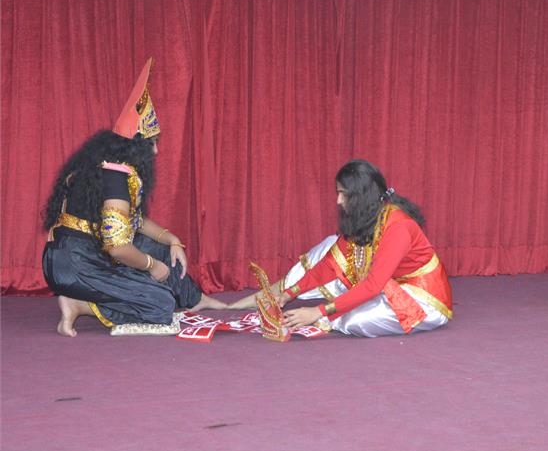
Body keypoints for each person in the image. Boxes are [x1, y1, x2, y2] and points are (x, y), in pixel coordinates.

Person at [42, 58, 225, 337]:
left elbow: (134, 223)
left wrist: (172, 240)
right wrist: (153, 266)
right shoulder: (115, 178)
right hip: (75, 264)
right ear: (135, 147)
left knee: (160, 249)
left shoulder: (110, 167)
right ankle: (79, 305)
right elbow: (117, 248)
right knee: (160, 304)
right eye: (151, 144)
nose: (156, 152)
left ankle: (195, 299)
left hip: (87, 252)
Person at [230, 159, 453, 337]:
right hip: (389, 288)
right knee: (345, 295)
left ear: (361, 197)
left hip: (422, 300)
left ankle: (329, 319)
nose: (338, 201)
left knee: (353, 321)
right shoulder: (367, 218)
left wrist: (317, 312)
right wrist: (288, 294)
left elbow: (373, 286)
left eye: (343, 194)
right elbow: (329, 265)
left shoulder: (398, 227)